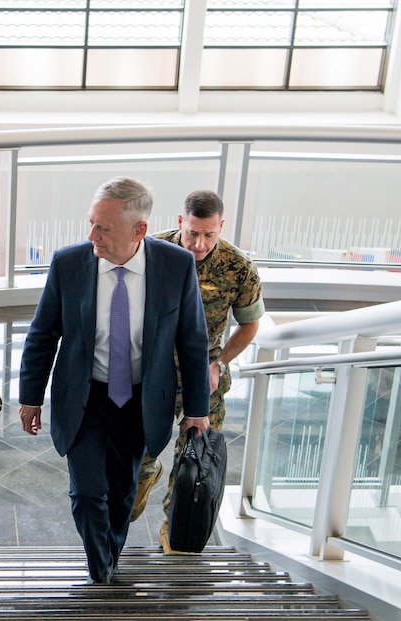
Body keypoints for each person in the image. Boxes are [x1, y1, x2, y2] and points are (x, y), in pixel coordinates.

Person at [18, 176, 210, 584]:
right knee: (87, 493)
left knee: (123, 494)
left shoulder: (175, 267)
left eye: (103, 228)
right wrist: (30, 397)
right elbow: (42, 334)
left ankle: (109, 559)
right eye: (91, 223)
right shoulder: (69, 264)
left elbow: (193, 341)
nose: (92, 236)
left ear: (138, 230)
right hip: (85, 397)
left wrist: (197, 410)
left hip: (141, 400)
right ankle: (100, 570)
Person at [128, 190, 264, 552]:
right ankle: (143, 478)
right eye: (192, 234)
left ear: (221, 226)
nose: (200, 244)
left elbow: (250, 324)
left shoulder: (239, 267)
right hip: (152, 373)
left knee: (193, 461)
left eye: (209, 235)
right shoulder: (149, 251)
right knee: (136, 451)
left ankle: (175, 531)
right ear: (179, 223)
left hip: (204, 377)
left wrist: (218, 364)